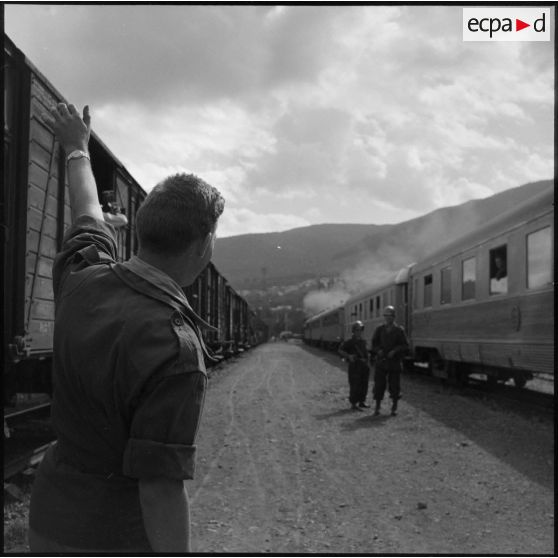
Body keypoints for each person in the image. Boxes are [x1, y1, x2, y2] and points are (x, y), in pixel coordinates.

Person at [28, 103, 225, 553]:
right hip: (112, 533)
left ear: (140, 229)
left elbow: (86, 211)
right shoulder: (175, 349)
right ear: (204, 245)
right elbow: (160, 488)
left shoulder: (82, 276)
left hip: (51, 513)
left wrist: (77, 147)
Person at [371, 306, 409, 417]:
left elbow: (405, 345)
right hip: (382, 361)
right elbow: (374, 344)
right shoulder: (379, 329)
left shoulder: (399, 330)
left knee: (394, 385)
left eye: (390, 315)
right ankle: (377, 406)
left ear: (394, 317)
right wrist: (378, 350)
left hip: (394, 362)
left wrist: (395, 351)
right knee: (379, 385)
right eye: (386, 315)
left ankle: (394, 407)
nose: (388, 318)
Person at [338, 321, 370, 411]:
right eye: (357, 330)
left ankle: (362, 402)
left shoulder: (363, 341)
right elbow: (340, 350)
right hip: (355, 367)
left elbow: (366, 353)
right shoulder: (350, 342)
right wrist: (349, 356)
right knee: (355, 385)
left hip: (364, 366)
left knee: (364, 384)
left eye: (361, 330)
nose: (359, 332)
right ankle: (354, 404)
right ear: (353, 331)